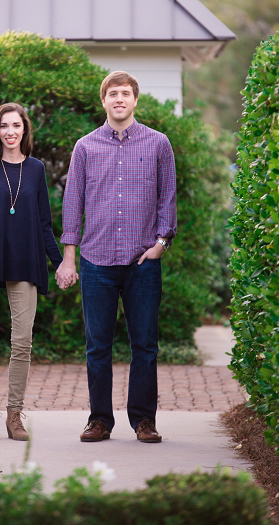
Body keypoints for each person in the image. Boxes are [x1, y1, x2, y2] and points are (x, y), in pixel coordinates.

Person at [57, 71, 176, 444]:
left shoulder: (158, 144)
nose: (119, 99)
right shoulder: (85, 147)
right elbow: (72, 203)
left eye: (125, 93)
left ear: (135, 100)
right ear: (103, 100)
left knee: (144, 344)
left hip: (143, 262)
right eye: (113, 93)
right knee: (98, 346)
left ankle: (144, 420)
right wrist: (69, 258)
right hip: (96, 262)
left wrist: (161, 242)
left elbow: (167, 198)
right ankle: (100, 421)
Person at [0, 102, 64, 442]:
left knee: (22, 340)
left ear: (25, 130)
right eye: (4, 126)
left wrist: (60, 261)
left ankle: (15, 416)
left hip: (26, 260)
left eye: (16, 125)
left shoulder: (35, 169)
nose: (10, 132)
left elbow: (44, 223)